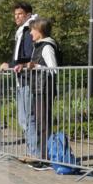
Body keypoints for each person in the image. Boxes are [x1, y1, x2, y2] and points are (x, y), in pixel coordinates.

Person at [0, 2, 38, 160]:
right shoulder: (22, 31)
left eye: (19, 14)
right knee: (24, 118)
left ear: (28, 14)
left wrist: (11, 65)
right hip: (21, 79)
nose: (16, 17)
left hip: (28, 79)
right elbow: (18, 56)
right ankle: (31, 151)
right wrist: (11, 64)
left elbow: (27, 56)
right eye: (15, 15)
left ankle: (34, 153)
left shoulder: (28, 31)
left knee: (27, 118)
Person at [25, 18, 60, 169]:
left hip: (44, 88)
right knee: (40, 123)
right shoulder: (38, 46)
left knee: (43, 124)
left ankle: (46, 159)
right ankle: (42, 156)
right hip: (38, 88)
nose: (31, 33)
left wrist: (36, 66)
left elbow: (54, 69)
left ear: (40, 31)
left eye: (33, 30)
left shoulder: (47, 47)